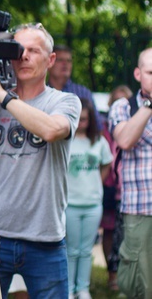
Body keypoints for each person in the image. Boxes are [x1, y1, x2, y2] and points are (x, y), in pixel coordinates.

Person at [0, 22, 81, 298]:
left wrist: (1, 95)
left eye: (34, 50)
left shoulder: (65, 102)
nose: (25, 56)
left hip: (45, 240)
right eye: (19, 50)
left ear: (51, 59)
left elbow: (52, 130)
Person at [108, 47, 152, 299]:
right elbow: (124, 139)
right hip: (140, 209)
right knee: (140, 284)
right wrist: (149, 105)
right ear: (138, 74)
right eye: (151, 72)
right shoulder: (123, 106)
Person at [66, 98, 113, 299]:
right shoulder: (65, 141)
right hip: (70, 204)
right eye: (79, 119)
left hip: (93, 204)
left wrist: (96, 183)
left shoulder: (99, 141)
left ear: (91, 119)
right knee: (71, 250)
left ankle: (82, 288)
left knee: (86, 250)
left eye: (85, 119)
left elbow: (106, 164)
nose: (82, 122)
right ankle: (68, 289)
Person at [102, 84, 133, 291]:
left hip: (127, 188)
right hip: (108, 185)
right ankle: (111, 273)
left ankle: (127, 275)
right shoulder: (103, 129)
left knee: (126, 233)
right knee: (109, 230)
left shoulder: (137, 125)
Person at [49, 44, 103, 126]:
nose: (65, 64)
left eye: (69, 61)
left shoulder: (83, 93)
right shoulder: (40, 91)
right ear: (49, 63)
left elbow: (97, 127)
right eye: (60, 60)